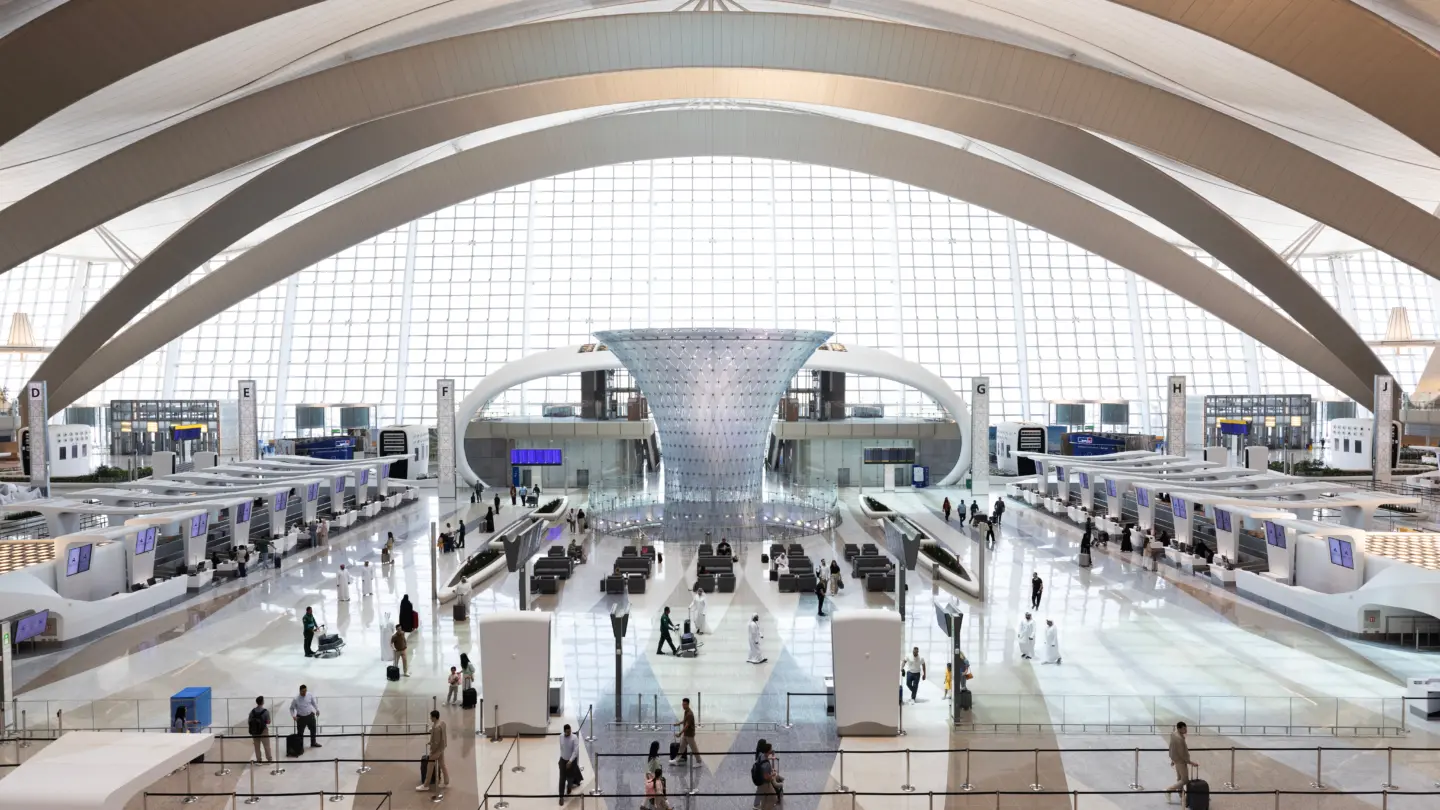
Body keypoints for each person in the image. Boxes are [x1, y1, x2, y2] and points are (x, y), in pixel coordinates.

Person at [1165, 721, 1197, 802]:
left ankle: (1181, 795)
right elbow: (1182, 753)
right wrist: (1190, 762)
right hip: (1180, 761)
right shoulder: (1179, 739)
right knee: (1185, 780)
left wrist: (1172, 759)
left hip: (1176, 759)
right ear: (1179, 729)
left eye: (1186, 728)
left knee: (1179, 778)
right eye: (1184, 729)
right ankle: (1169, 790)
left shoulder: (1173, 734)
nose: (1186, 730)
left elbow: (1172, 747)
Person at [417, 710, 448, 791]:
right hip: (442, 747)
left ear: (434, 717)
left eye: (431, 717)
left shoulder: (436, 728)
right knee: (442, 765)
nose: (430, 718)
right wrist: (432, 732)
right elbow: (440, 735)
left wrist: (432, 750)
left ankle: (426, 785)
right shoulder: (442, 723)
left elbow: (436, 742)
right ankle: (446, 781)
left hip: (436, 750)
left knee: (430, 766)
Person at [670, 697, 700, 767]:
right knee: (681, 747)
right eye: (683, 704)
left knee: (694, 748)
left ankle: (699, 762)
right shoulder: (686, 711)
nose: (683, 706)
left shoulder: (690, 714)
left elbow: (687, 725)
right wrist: (678, 723)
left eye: (685, 704)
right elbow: (685, 720)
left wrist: (680, 733)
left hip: (689, 735)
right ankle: (676, 760)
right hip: (686, 734)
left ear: (688, 704)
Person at [752, 739, 781, 810]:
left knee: (762, 795)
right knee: (772, 797)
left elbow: (765, 758)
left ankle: (758, 805)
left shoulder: (760, 754)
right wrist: (773, 774)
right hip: (764, 782)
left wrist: (771, 757)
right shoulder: (766, 763)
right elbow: (766, 776)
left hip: (760, 779)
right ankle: (758, 806)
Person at [557, 723, 582, 803]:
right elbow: (562, 748)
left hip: (571, 761)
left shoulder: (574, 738)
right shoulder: (561, 737)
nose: (569, 733)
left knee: (570, 778)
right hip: (563, 760)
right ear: (564, 731)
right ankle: (561, 797)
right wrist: (561, 759)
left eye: (570, 731)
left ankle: (569, 786)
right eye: (567, 732)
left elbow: (575, 751)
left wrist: (570, 761)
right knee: (562, 779)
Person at [644, 740, 672, 810]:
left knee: (661, 793)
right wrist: (653, 778)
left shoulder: (655, 756)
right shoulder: (652, 758)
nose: (659, 747)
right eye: (658, 746)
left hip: (659, 777)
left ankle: (666, 807)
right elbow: (648, 771)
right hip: (655, 778)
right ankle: (667, 807)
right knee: (660, 794)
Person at [248, 696, 272, 762]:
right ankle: (269, 759)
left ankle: (259, 760)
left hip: (255, 731)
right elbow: (268, 722)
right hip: (263, 730)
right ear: (262, 702)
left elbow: (249, 721)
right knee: (266, 745)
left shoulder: (252, 711)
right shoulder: (265, 711)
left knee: (257, 746)